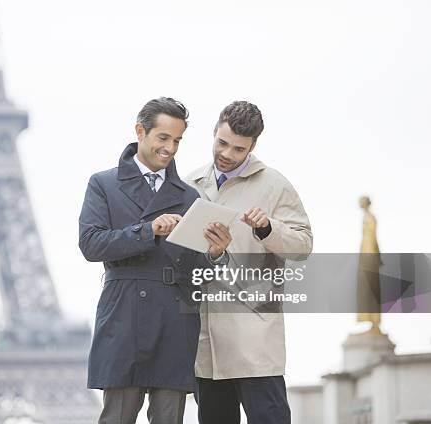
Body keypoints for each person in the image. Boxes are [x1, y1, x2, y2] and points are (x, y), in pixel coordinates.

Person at [78, 97, 231, 424]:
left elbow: (196, 273)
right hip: (123, 316)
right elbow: (91, 244)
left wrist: (216, 253)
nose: (170, 148)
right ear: (140, 131)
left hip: (174, 321)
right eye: (163, 138)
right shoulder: (103, 184)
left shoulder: (190, 197)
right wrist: (147, 230)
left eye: (177, 140)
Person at [185, 101, 313, 424]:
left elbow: (303, 245)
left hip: (255, 344)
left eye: (238, 148)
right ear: (214, 132)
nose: (226, 153)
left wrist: (268, 228)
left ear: (253, 146)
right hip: (207, 347)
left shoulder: (274, 185)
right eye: (222, 143)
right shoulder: (189, 185)